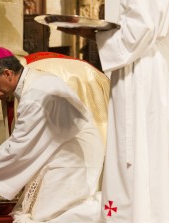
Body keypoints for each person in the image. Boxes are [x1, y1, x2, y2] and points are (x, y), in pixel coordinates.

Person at [0, 47, 105, 222]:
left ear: (7, 74)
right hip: (62, 149)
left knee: (50, 215)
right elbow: (20, 139)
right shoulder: (32, 83)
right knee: (35, 210)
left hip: (73, 154)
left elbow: (21, 146)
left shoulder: (35, 94)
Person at [58, 1, 169, 222]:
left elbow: (141, 29)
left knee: (134, 149)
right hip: (142, 65)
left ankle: (136, 215)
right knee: (146, 149)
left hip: (138, 70)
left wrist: (93, 34)